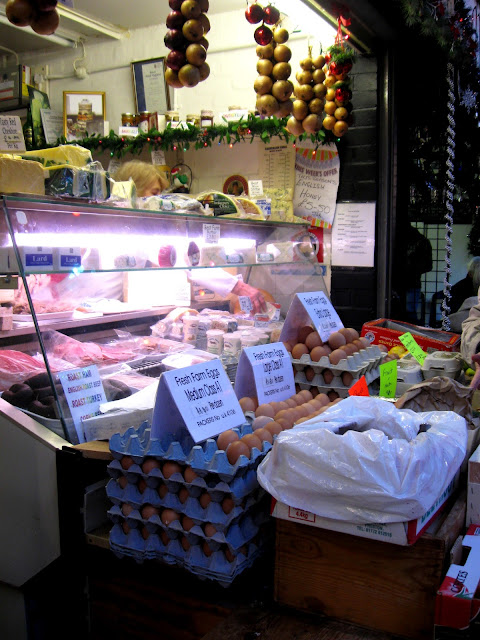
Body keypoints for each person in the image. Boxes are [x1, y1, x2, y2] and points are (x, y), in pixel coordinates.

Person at [113, 161, 267, 314]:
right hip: (106, 314)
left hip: (121, 312)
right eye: (154, 194)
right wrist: (239, 287)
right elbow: (186, 261)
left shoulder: (149, 227)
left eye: (160, 194)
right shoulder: (116, 226)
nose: (159, 200)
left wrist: (239, 287)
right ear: (133, 193)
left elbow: (190, 261)